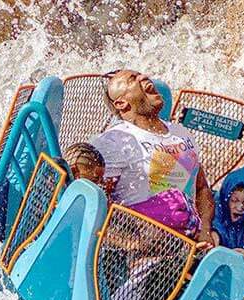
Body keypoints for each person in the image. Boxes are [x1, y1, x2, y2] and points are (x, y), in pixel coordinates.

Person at [91, 69, 215, 243]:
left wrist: (206, 231)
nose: (144, 77)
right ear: (121, 103)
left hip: (191, 244)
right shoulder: (115, 141)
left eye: (142, 75)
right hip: (145, 251)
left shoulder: (181, 133)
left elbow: (202, 189)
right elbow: (95, 204)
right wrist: (131, 243)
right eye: (133, 79)